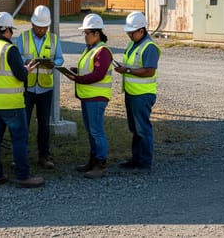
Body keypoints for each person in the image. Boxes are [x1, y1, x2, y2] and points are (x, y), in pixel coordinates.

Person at [0, 11, 44, 188]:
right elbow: (21, 75)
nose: (11, 35)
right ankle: (23, 176)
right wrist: (27, 70)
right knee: (19, 138)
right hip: (11, 104)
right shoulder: (9, 49)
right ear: (6, 30)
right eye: (11, 31)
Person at [61, 13, 113, 179]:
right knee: (92, 131)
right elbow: (90, 70)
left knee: (97, 131)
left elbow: (98, 75)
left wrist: (76, 78)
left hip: (96, 97)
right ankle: (93, 161)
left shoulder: (102, 51)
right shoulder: (91, 49)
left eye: (87, 33)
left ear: (96, 33)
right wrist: (77, 72)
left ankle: (101, 164)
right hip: (88, 97)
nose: (84, 36)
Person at [13, 5, 64, 169]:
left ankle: (44, 155)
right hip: (27, 88)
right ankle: (20, 157)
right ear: (32, 24)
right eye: (38, 27)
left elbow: (60, 59)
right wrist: (25, 62)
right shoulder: (23, 37)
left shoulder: (54, 39)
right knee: (23, 124)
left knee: (44, 125)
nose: (41, 30)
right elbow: (17, 56)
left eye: (44, 27)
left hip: (45, 89)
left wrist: (53, 63)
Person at [113, 11, 160, 172]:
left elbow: (149, 71)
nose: (129, 35)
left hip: (142, 94)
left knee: (142, 128)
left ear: (141, 30)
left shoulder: (149, 47)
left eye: (131, 32)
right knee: (134, 128)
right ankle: (136, 159)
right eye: (128, 32)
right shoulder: (134, 44)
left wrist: (126, 71)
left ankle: (145, 162)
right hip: (132, 92)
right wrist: (124, 68)